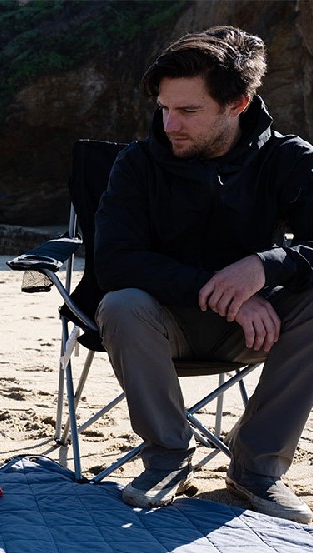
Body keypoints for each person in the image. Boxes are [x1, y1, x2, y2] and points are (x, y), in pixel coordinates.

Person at [94, 26, 313, 523]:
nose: (170, 124)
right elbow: (114, 261)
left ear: (238, 104)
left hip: (260, 329)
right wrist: (223, 290)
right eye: (164, 107)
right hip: (161, 324)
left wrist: (262, 266)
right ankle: (168, 456)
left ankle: (257, 470)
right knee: (121, 303)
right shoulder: (136, 165)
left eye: (188, 111)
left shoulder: (288, 159)